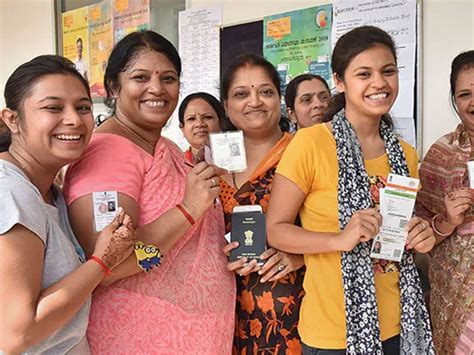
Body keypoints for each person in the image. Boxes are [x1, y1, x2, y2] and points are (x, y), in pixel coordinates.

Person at [63, 31, 235, 353]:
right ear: (113, 86)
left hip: (196, 336)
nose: (157, 88)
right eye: (140, 77)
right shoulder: (107, 156)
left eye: (168, 78)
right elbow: (109, 266)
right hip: (140, 338)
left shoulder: (166, 147)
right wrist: (187, 211)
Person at [267, 26, 435, 354]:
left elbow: (402, 237)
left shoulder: (406, 154)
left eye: (388, 71)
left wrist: (422, 236)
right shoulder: (311, 143)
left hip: (402, 326)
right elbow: (275, 230)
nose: (379, 83)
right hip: (333, 334)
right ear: (340, 82)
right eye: (364, 74)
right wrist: (337, 240)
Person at [0, 55, 135, 354]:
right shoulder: (11, 192)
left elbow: (137, 252)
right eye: (53, 108)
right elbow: (14, 334)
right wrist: (102, 261)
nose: (74, 120)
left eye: (83, 107)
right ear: (12, 120)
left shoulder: (53, 193)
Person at [220, 54, 305, 354]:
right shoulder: (213, 162)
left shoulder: (305, 150)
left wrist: (301, 257)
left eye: (266, 91)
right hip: (223, 314)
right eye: (241, 94)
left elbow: (338, 225)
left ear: (280, 99)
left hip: (291, 308)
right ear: (227, 106)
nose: (255, 101)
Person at [416, 50, 474, 354]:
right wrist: (449, 220)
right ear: (454, 100)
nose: (473, 102)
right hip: (454, 294)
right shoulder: (442, 154)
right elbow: (420, 235)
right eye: (464, 94)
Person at [178, 92, 225, 163]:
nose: (199, 124)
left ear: (221, 122)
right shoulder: (176, 165)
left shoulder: (239, 161)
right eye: (191, 119)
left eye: (207, 117)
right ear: (182, 128)